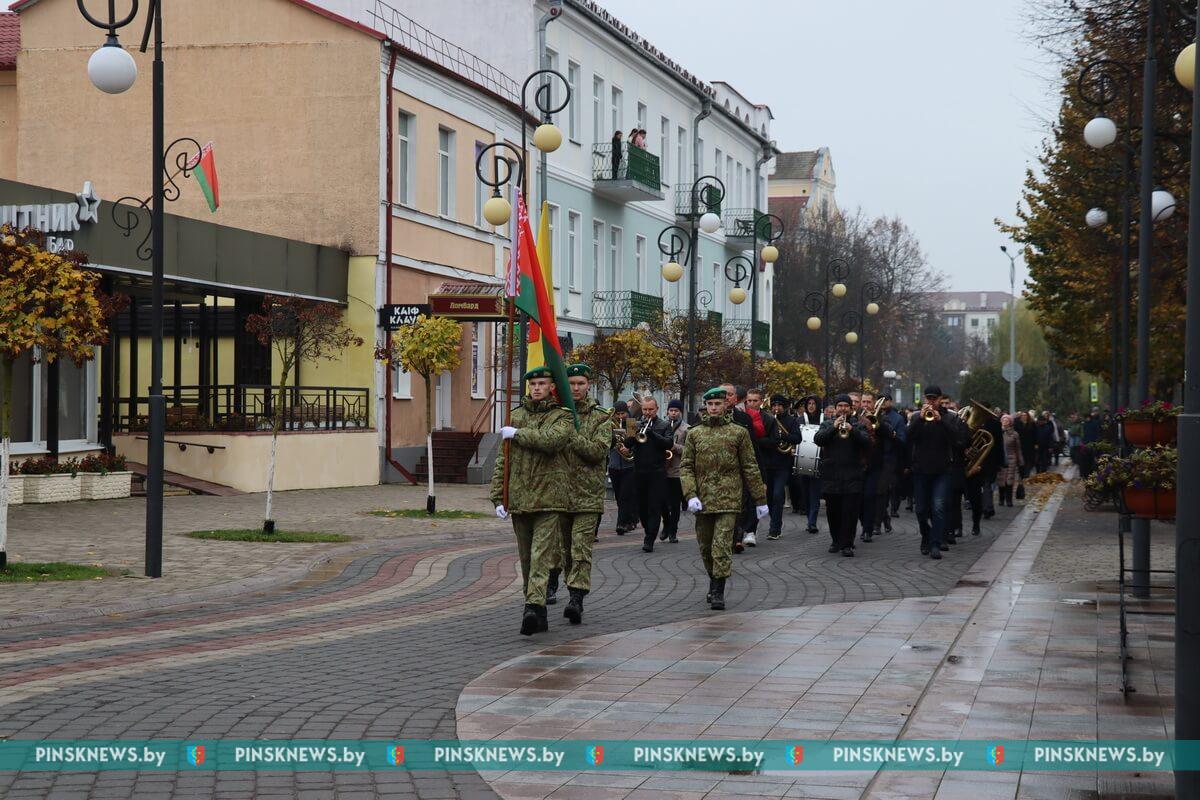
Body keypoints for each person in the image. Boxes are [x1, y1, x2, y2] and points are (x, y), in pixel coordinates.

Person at [490, 367, 574, 635]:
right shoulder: (515, 416)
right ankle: (538, 612)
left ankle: (532, 605)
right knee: (526, 558)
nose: (536, 388)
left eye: (542, 383)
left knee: (540, 555)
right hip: (520, 498)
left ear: (552, 387)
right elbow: (503, 461)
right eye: (533, 384)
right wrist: (497, 497)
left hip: (549, 498)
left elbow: (552, 441)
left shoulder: (562, 416)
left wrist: (518, 434)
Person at [680, 387, 768, 611]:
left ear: (726, 405)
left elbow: (750, 466)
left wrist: (760, 499)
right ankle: (713, 579)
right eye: (710, 404)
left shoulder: (738, 432)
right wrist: (690, 494)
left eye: (718, 404)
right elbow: (686, 466)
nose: (713, 408)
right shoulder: (695, 433)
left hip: (729, 499)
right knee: (705, 546)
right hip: (703, 499)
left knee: (721, 546)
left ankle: (718, 590)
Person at [543, 364, 611, 623]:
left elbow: (597, 452)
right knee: (561, 550)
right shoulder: (554, 415)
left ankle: (576, 598)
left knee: (580, 549)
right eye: (571, 383)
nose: (576, 388)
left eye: (580, 383)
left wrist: (571, 434)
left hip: (587, 496)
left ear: (588, 385)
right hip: (559, 494)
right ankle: (560, 585)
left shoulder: (600, 417)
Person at [907, 386, 967, 560]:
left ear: (940, 399)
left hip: (942, 471)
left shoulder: (951, 417)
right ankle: (926, 535)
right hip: (921, 470)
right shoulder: (917, 417)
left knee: (939, 507)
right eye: (928, 398)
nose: (931, 402)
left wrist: (941, 421)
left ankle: (935, 544)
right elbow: (908, 437)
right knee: (920, 510)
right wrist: (919, 419)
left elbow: (958, 440)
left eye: (934, 399)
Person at [814, 394, 870, 557]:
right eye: (840, 406)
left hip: (852, 474)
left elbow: (866, 443)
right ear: (835, 408)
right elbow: (818, 439)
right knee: (833, 512)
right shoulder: (827, 424)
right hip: (831, 475)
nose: (843, 409)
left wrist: (852, 431)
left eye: (846, 406)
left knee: (850, 512)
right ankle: (836, 540)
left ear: (851, 408)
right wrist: (833, 427)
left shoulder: (858, 425)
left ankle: (847, 544)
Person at [627, 395, 674, 553]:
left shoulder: (665, 425)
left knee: (654, 506)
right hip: (639, 471)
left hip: (657, 472)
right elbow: (627, 443)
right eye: (645, 409)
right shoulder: (634, 423)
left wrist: (652, 434)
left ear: (657, 409)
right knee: (641, 507)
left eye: (650, 409)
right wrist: (634, 432)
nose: (647, 412)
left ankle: (649, 539)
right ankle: (649, 531)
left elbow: (669, 443)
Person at [857, 392, 893, 543]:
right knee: (859, 499)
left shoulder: (882, 418)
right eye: (863, 402)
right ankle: (865, 523)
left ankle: (867, 530)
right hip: (858, 464)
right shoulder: (856, 418)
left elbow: (889, 433)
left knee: (869, 496)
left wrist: (876, 420)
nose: (866, 405)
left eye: (868, 402)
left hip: (874, 464)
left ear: (874, 404)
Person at [766, 394, 803, 540]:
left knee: (777, 495)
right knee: (769, 497)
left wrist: (783, 437)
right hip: (768, 462)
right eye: (774, 405)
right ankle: (775, 521)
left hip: (782, 463)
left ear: (784, 407)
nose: (776, 408)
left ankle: (774, 528)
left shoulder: (791, 420)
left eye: (779, 405)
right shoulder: (768, 419)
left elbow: (797, 438)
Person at [792, 394, 823, 533]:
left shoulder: (824, 420)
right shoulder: (799, 420)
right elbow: (795, 437)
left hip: (819, 461)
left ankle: (812, 522)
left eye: (813, 403)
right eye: (809, 403)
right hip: (802, 461)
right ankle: (809, 517)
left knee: (815, 493)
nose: (811, 406)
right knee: (805, 493)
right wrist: (793, 448)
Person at [607, 400, 639, 534]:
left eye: (623, 413)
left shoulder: (631, 424)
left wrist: (628, 447)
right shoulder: (609, 424)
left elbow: (636, 442)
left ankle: (621, 524)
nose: (620, 416)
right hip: (614, 465)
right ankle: (629, 519)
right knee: (619, 496)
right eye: (618, 414)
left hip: (629, 466)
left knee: (626, 495)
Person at [660, 399, 688, 544]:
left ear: (680, 412)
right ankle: (666, 524)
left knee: (675, 504)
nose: (673, 413)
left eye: (676, 411)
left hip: (677, 470)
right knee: (662, 502)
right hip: (662, 470)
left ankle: (673, 531)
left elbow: (688, 450)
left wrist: (674, 446)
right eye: (671, 410)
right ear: (667, 412)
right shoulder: (662, 426)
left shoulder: (686, 428)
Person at [996, 414, 1023, 506]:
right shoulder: (998, 433)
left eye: (1007, 420)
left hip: (1011, 459)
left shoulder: (1015, 434)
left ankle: (1009, 500)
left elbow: (1018, 448)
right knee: (1000, 480)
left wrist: (1020, 461)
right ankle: (1001, 499)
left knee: (1009, 480)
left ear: (1010, 422)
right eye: (1003, 420)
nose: (1005, 422)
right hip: (1000, 459)